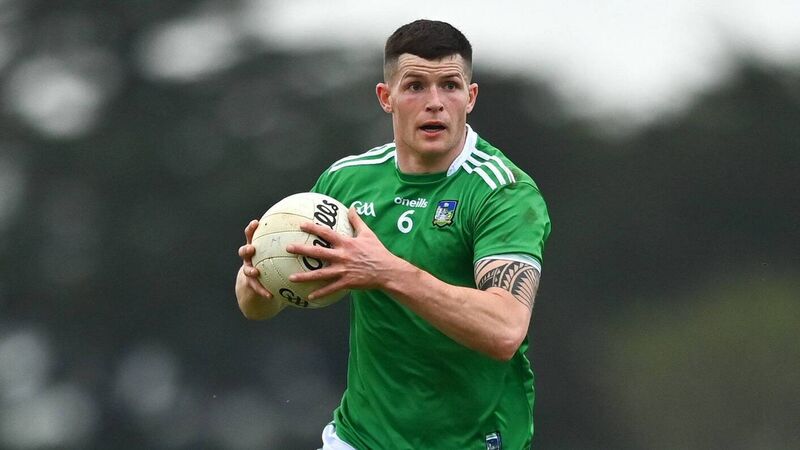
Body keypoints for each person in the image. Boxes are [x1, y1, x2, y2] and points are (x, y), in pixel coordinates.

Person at [235, 19, 551, 450]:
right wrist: (258, 275)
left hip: (475, 441)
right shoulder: (348, 181)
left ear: (470, 97)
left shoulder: (503, 192)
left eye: (450, 86)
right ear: (387, 97)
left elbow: (504, 330)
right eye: (416, 86)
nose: (435, 103)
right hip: (360, 438)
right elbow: (257, 305)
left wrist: (386, 271)